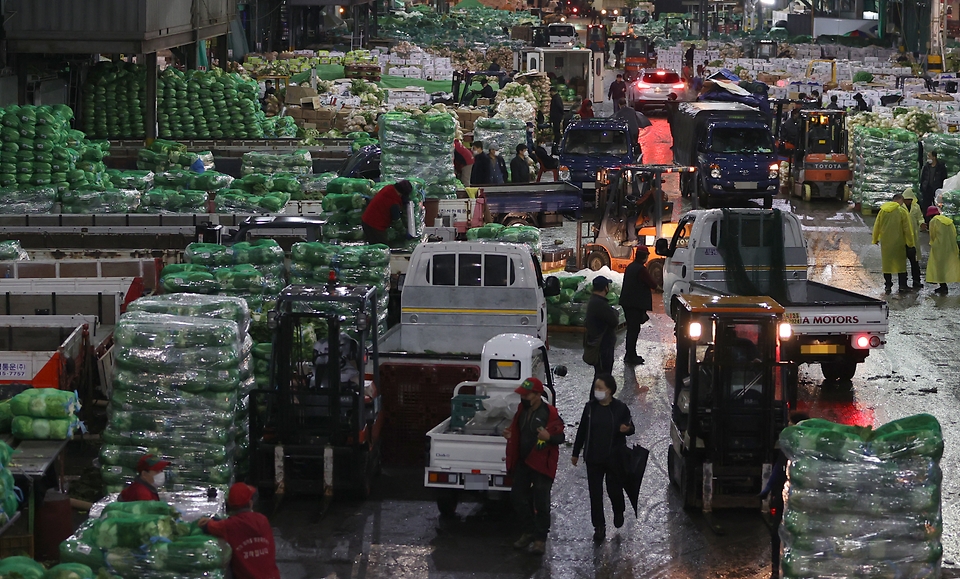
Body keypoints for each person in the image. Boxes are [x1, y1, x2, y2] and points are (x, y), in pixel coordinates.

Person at [503, 377, 565, 556]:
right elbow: (517, 430)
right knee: (517, 497)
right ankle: (528, 531)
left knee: (541, 502)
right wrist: (510, 434)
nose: (523, 397)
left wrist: (549, 438)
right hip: (524, 461)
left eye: (526, 394)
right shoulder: (522, 410)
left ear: (538, 395)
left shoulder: (550, 413)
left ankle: (540, 539)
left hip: (541, 464)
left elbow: (561, 437)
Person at [571, 373, 635, 543]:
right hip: (594, 458)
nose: (597, 391)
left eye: (600, 388)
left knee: (614, 489)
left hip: (614, 458)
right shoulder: (590, 408)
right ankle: (599, 526)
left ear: (610, 390)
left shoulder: (621, 408)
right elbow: (582, 430)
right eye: (595, 387)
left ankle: (618, 510)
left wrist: (626, 429)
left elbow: (631, 427)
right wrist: (576, 452)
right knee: (595, 493)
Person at [760, 412, 810, 579]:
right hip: (790, 498)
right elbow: (778, 469)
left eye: (790, 423)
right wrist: (768, 489)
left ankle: (783, 569)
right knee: (780, 533)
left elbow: (777, 470)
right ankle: (778, 569)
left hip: (792, 500)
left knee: (783, 533)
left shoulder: (799, 448)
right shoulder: (796, 447)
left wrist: (768, 488)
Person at [199, 483, 281, 579]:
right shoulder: (263, 520)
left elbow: (205, 525)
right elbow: (243, 525)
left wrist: (207, 521)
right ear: (250, 503)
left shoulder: (228, 526)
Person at [871, 193, 915, 294]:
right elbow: (907, 229)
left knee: (887, 264)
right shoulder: (901, 212)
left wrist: (875, 238)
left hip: (886, 242)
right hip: (899, 242)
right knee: (901, 264)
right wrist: (910, 243)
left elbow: (877, 225)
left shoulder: (883, 211)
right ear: (900, 201)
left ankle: (888, 285)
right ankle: (902, 285)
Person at [620, 247, 657, 365]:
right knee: (633, 330)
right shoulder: (641, 270)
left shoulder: (631, 267)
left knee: (632, 329)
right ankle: (630, 356)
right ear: (645, 256)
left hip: (628, 303)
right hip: (634, 304)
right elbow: (652, 284)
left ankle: (631, 354)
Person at [584, 276, 620, 379]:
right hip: (602, 347)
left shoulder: (595, 301)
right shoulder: (600, 304)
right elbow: (614, 321)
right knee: (602, 377)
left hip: (600, 345)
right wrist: (614, 313)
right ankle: (599, 395)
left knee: (600, 376)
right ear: (605, 288)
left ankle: (599, 395)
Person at [361, 180, 412, 245]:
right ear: (402, 193)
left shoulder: (388, 188)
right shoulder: (394, 202)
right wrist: (405, 233)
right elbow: (397, 222)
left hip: (367, 219)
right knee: (381, 248)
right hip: (374, 225)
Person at [926, 207, 960, 295]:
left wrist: (933, 243)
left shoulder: (933, 221)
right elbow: (954, 233)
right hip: (950, 245)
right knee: (950, 264)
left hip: (939, 247)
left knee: (939, 267)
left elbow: (932, 235)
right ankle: (946, 284)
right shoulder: (948, 220)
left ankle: (943, 286)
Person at [902, 188, 924, 290]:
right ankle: (903, 283)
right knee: (902, 262)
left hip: (913, 237)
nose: (908, 201)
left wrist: (922, 223)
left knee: (914, 261)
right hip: (903, 238)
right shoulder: (900, 208)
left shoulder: (916, 207)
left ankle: (916, 281)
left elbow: (919, 217)